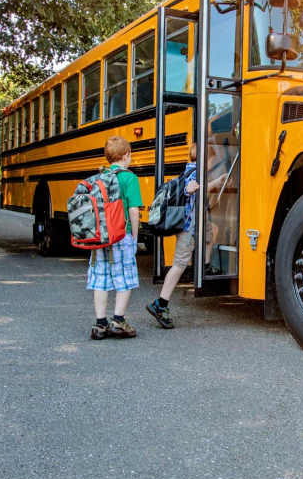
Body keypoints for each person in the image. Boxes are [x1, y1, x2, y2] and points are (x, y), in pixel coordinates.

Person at [147, 141, 226, 328]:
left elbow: (199, 188)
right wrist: (192, 188)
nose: (212, 162)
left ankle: (206, 266)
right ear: (206, 159)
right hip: (187, 227)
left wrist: (216, 182)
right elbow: (190, 188)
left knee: (208, 235)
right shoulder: (194, 173)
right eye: (212, 159)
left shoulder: (191, 170)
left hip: (192, 225)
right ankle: (160, 303)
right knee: (179, 264)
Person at [88, 136, 143, 340]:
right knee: (125, 278)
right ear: (126, 154)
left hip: (99, 236)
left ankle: (100, 324)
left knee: (100, 278)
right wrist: (135, 237)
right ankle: (118, 321)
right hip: (121, 235)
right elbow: (134, 211)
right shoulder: (129, 178)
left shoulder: (99, 177)